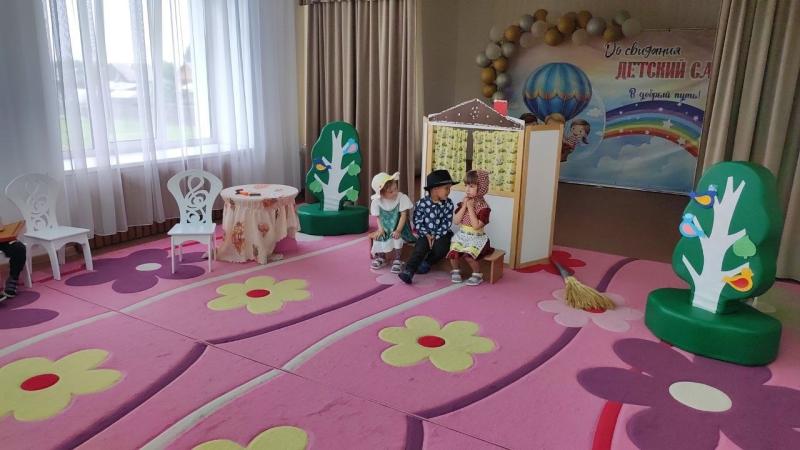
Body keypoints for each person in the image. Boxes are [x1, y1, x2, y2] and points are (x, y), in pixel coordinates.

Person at [398, 169, 456, 284]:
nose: (449, 191)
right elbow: (417, 221)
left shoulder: (449, 204)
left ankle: (427, 263)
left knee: (442, 248)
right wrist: (427, 234)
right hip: (425, 233)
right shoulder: (422, 204)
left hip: (442, 233)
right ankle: (409, 271)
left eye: (449, 188)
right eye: (446, 188)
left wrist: (436, 236)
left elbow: (447, 222)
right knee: (420, 248)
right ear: (435, 189)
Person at [448, 170, 493, 286]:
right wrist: (464, 206)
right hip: (462, 235)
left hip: (477, 238)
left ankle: (477, 274)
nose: (467, 189)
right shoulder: (464, 202)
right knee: (453, 253)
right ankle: (456, 271)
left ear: (481, 188)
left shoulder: (484, 208)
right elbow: (456, 221)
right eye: (466, 185)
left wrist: (471, 208)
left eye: (471, 186)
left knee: (469, 256)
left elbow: (476, 226)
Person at [369, 172, 415, 273]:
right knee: (380, 236)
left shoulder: (401, 197)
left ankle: (398, 259)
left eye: (396, 188)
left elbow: (403, 215)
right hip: (385, 226)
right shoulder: (377, 201)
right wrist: (381, 229)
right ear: (381, 193)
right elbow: (378, 217)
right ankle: (381, 257)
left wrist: (398, 230)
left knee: (396, 237)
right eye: (391, 191)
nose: (395, 192)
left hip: (400, 226)